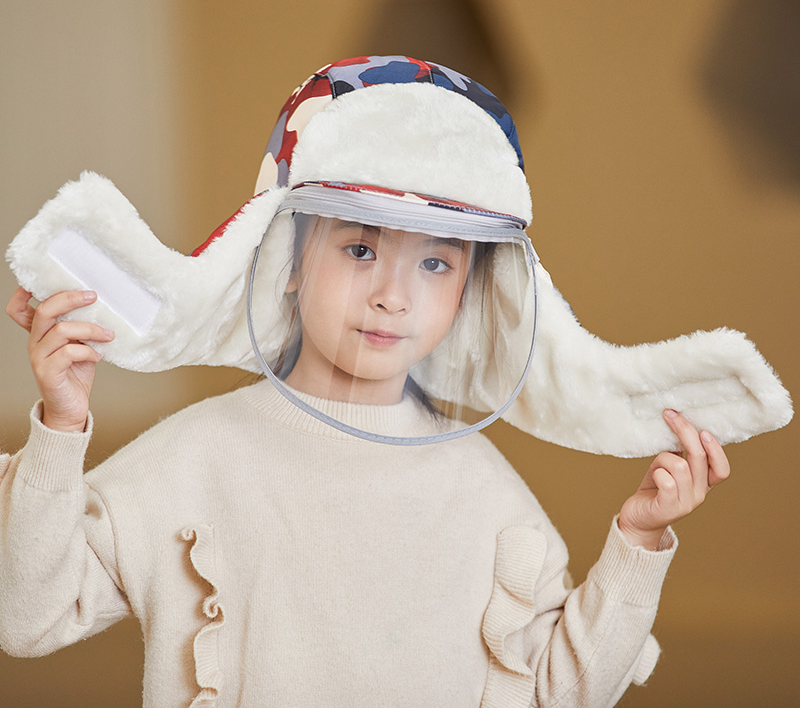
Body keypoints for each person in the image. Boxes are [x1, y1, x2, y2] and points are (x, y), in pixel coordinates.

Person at [0, 56, 790, 707]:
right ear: (283, 260)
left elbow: (564, 691)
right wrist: (61, 426)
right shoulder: (196, 457)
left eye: (437, 262)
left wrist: (640, 538)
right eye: (359, 249)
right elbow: (27, 616)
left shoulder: (484, 492)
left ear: (471, 293)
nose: (393, 296)